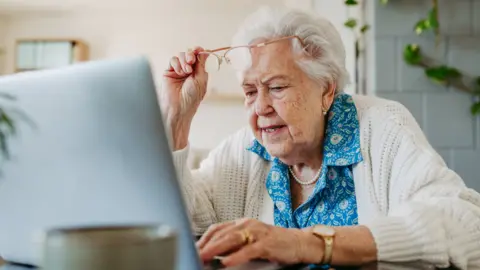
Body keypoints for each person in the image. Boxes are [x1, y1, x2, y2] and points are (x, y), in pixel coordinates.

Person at [160, 6, 480, 269]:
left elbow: (465, 223)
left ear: (326, 90)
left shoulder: (380, 127)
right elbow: (182, 225)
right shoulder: (245, 149)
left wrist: (303, 243)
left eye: (277, 88)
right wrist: (177, 119)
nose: (260, 107)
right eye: (250, 91)